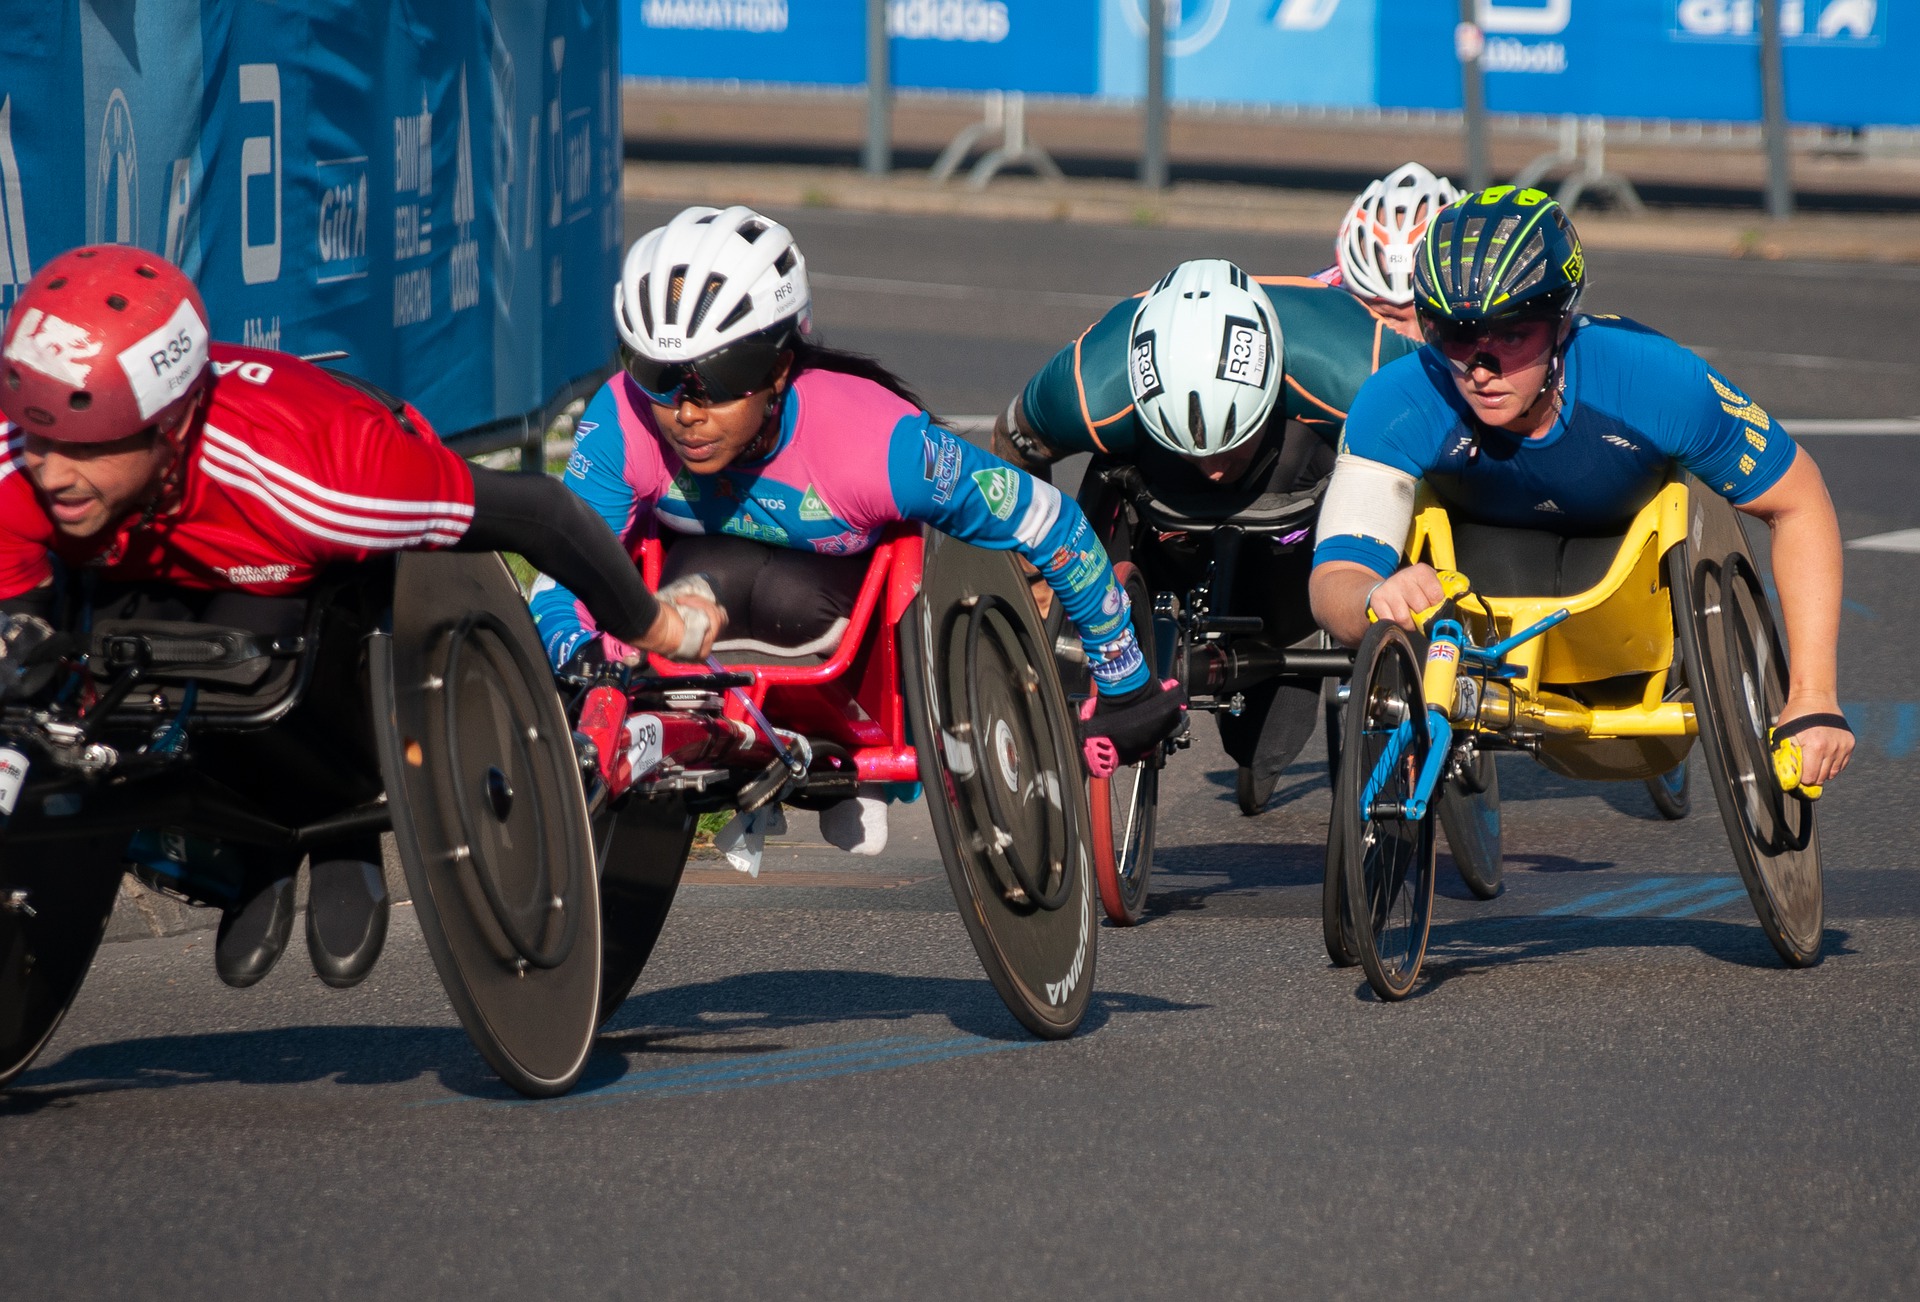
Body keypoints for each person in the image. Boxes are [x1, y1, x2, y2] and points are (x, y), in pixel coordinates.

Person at [0, 244, 720, 990]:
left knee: (251, 654)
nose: (50, 471)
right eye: (38, 435)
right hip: (152, 557)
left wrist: (654, 626)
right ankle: (251, 847)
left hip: (299, 550)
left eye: (84, 447)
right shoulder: (15, 463)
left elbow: (544, 515)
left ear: (170, 428)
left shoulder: (328, 481)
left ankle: (339, 816)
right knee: (96, 655)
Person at [529, 204, 1187, 856]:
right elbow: (564, 578)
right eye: (658, 376)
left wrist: (1124, 676)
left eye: (718, 380)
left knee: (777, 595)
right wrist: (576, 653)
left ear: (779, 368)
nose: (685, 412)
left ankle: (833, 757)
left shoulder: (883, 449)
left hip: (849, 635)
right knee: (635, 594)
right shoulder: (622, 420)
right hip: (691, 616)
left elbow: (1053, 521)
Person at [1308, 185, 1853, 788]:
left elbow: (1799, 502)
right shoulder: (1396, 400)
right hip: (1483, 575)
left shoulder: (1655, 381)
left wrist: (1813, 696)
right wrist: (1373, 599)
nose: (1481, 369)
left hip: (1630, 581)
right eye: (1459, 335)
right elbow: (1336, 578)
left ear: (1562, 323)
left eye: (1512, 334)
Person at [991, 242, 1425, 815]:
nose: (1217, 466)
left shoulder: (1356, 362)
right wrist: (1037, 589)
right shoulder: (1089, 385)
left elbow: (1448, 447)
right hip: (1164, 510)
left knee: (1261, 745)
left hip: (1303, 520)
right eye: (1195, 450)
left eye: (1232, 442)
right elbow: (1011, 452)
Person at [1315, 161, 1460, 342]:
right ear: (1350, 293)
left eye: (1434, 318)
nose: (1415, 341)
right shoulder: (1321, 303)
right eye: (1391, 319)